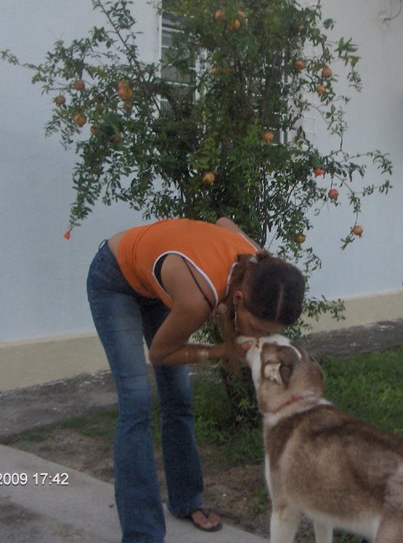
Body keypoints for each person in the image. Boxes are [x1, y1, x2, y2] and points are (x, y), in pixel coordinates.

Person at [86, 217, 305, 542]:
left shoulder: (262, 267)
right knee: (136, 403)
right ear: (240, 299)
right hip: (115, 278)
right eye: (257, 328)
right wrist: (221, 351)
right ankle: (142, 534)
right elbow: (161, 354)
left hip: (162, 280)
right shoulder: (197, 297)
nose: (259, 338)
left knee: (178, 397)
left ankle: (186, 500)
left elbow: (225, 223)